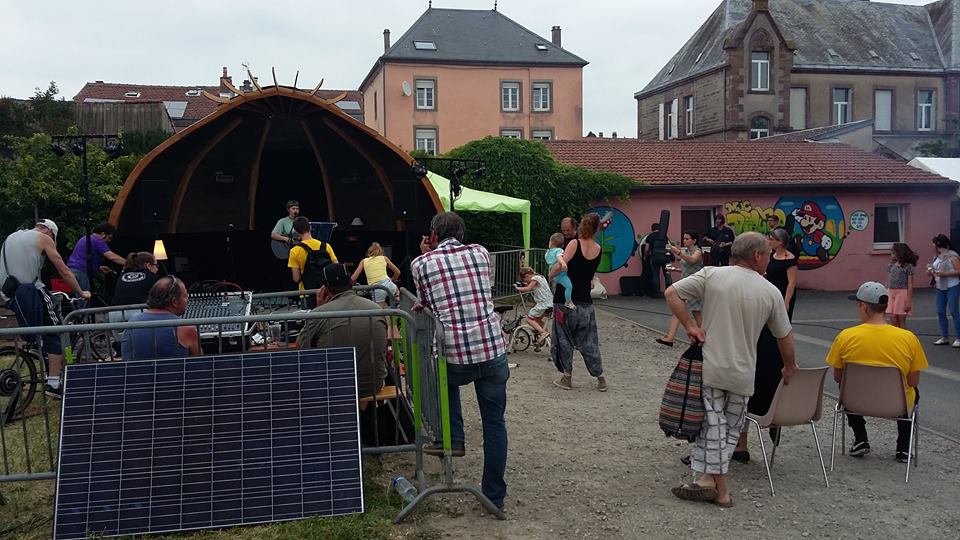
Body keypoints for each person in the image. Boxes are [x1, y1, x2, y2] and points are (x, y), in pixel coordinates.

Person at [664, 231, 796, 509]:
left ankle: (715, 486)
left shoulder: (712, 275)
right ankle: (712, 484)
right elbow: (784, 336)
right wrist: (790, 366)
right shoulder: (770, 291)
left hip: (711, 365)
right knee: (730, 430)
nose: (769, 259)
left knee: (712, 425)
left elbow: (671, 293)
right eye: (767, 255)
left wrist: (690, 326)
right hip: (744, 372)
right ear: (756, 255)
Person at [411, 212, 508, 514]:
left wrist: (425, 253)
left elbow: (427, 301)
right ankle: (494, 496)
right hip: (491, 347)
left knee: (444, 381)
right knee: (495, 424)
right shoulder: (481, 253)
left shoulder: (421, 264)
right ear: (462, 235)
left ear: (432, 236)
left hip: (453, 353)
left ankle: (453, 438)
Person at [825, 281, 928, 462]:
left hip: (857, 402)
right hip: (896, 405)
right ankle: (903, 448)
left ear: (864, 306)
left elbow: (838, 377)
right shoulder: (908, 338)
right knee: (913, 392)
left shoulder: (845, 337)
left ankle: (861, 438)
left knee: (845, 386)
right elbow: (913, 381)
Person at [0, 220, 90, 398]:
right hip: (31, 291)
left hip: (9, 294)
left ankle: (39, 345)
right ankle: (53, 384)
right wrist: (81, 292)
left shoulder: (11, 237)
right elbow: (64, 270)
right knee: (56, 332)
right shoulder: (43, 238)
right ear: (49, 231)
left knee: (40, 328)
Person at [734, 227, 798, 461]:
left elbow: (791, 283)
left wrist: (786, 302)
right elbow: (785, 336)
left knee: (742, 393)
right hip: (770, 333)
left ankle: (739, 444)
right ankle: (764, 428)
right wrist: (790, 364)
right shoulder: (765, 287)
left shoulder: (783, 266)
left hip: (759, 337)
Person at [299, 263, 388, 399]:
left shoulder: (320, 314)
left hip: (335, 388)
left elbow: (300, 346)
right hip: (373, 386)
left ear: (325, 289)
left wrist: (318, 308)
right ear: (351, 282)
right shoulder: (376, 308)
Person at [551, 213, 606, 392]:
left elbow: (562, 264)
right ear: (596, 229)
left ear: (581, 226)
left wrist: (550, 274)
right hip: (585, 303)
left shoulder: (574, 243)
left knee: (564, 339)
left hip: (565, 301)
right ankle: (600, 378)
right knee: (589, 341)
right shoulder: (598, 248)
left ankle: (567, 377)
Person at [120, 276, 200, 360]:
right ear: (175, 302)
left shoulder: (130, 324)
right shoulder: (186, 328)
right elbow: (200, 363)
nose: (187, 300)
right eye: (185, 296)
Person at [656, 230, 703, 347]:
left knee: (696, 312)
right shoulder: (686, 251)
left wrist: (676, 251)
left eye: (687, 239)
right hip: (686, 283)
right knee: (677, 310)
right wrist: (675, 270)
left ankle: (704, 337)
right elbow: (687, 267)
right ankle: (670, 338)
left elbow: (692, 260)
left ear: (694, 240)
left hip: (694, 284)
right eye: (684, 238)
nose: (684, 241)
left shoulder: (697, 251)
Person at [66, 222, 126, 301]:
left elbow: (82, 258)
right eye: (109, 238)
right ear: (103, 234)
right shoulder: (98, 240)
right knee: (84, 300)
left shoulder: (84, 238)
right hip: (82, 273)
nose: (109, 241)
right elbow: (112, 257)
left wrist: (99, 268)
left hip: (72, 271)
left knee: (78, 299)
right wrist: (129, 263)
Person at [288, 216, 338, 309]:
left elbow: (296, 278)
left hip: (307, 293)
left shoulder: (294, 251)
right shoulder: (326, 246)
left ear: (296, 232)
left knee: (311, 318)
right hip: (327, 292)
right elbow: (336, 267)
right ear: (310, 227)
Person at [928, 234, 960, 347]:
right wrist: (930, 271)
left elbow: (958, 271)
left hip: (952, 285)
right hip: (940, 286)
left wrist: (944, 274)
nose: (933, 246)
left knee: (954, 311)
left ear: (938, 245)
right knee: (940, 311)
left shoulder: (952, 256)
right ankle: (944, 337)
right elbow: (934, 268)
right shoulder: (936, 257)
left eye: (934, 244)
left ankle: (958, 338)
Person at [351, 242, 400, 308]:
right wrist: (392, 280)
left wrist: (348, 287)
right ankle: (398, 304)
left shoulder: (363, 261)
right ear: (380, 252)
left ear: (368, 253)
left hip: (376, 288)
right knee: (397, 292)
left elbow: (353, 278)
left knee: (379, 310)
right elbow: (397, 272)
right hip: (388, 283)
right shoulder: (384, 258)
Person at [514, 266, 552, 345]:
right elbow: (532, 285)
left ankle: (543, 333)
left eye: (525, 280)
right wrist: (526, 284)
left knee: (529, 319)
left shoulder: (535, 279)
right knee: (537, 319)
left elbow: (528, 288)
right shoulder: (540, 277)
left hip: (543, 303)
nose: (526, 282)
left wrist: (517, 288)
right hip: (550, 302)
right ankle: (548, 335)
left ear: (527, 276)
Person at [887, 242, 919, 329]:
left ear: (899, 253)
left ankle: (904, 336)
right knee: (893, 319)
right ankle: (894, 336)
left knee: (901, 319)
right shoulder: (891, 265)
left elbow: (910, 284)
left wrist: (908, 301)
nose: (891, 254)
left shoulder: (908, 266)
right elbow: (889, 279)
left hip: (902, 293)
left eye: (893, 252)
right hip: (891, 292)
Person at [545, 233, 575, 309]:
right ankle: (568, 301)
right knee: (569, 286)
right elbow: (559, 257)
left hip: (552, 272)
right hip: (561, 274)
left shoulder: (548, 252)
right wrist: (563, 263)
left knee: (554, 288)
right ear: (562, 245)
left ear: (550, 243)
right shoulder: (559, 250)